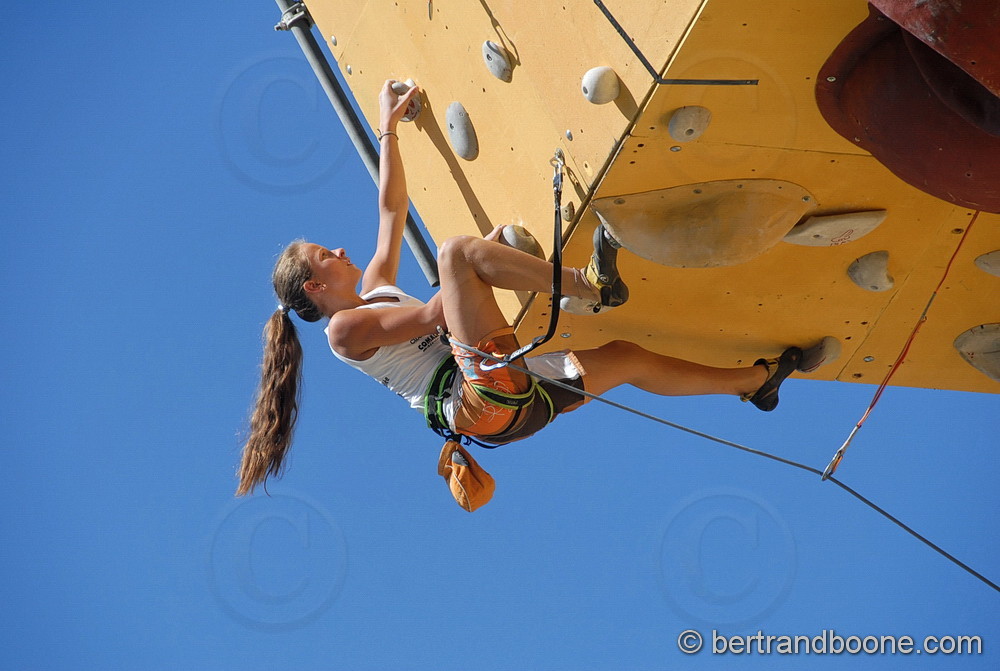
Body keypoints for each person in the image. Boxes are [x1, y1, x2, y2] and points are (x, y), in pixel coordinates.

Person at [236, 79, 802, 496]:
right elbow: (436, 315)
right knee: (456, 252)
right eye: (324, 257)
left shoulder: (376, 290)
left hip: (510, 401)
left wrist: (386, 124)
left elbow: (390, 210)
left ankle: (753, 382)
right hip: (477, 400)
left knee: (625, 358)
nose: (339, 251)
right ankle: (588, 284)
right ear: (315, 285)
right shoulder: (343, 330)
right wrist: (479, 260)